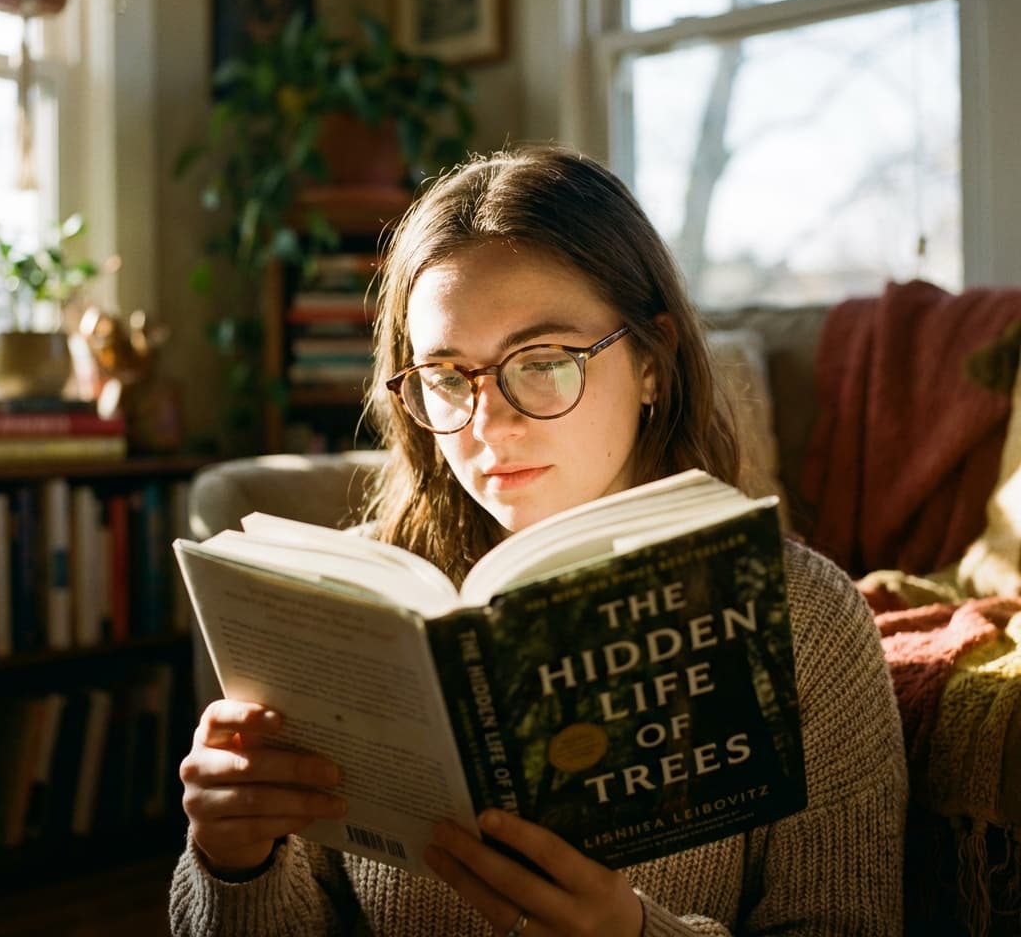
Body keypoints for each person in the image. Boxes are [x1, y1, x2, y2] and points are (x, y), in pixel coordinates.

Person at [170, 146, 907, 936]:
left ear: (653, 361)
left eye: (545, 362)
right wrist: (231, 859)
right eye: (448, 376)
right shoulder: (351, 608)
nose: (489, 425)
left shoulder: (806, 622)